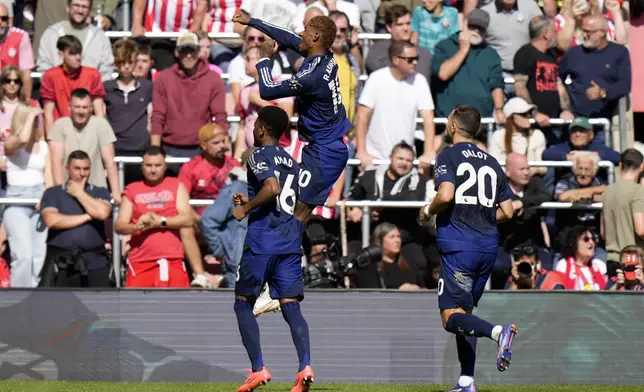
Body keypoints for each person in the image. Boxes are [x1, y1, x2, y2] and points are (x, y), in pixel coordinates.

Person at [419, 104, 517, 392]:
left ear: (451, 127)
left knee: (451, 318)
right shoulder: (491, 162)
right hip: (487, 247)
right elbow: (508, 211)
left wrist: (428, 210)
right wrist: (482, 216)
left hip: (459, 247)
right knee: (465, 314)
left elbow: (446, 195)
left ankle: (499, 333)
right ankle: (466, 381)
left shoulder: (447, 155)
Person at [232, 10, 350, 225]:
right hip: (323, 145)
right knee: (290, 211)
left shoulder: (311, 77)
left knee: (296, 215)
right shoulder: (323, 56)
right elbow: (288, 37)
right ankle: (287, 254)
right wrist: (252, 22)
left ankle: (288, 257)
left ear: (315, 38)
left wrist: (265, 58)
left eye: (305, 31)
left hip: (326, 151)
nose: (300, 34)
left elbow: (267, 90)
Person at [230, 106, 312, 392]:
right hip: (289, 243)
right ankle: (305, 366)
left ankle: (258, 369)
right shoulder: (291, 161)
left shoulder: (258, 155)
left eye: (255, 125)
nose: (253, 130)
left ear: (262, 129)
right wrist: (250, 199)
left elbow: (272, 188)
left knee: (243, 303)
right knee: (292, 307)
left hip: (264, 242)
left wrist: (247, 208)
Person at [114, 146, 197, 288]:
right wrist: (137, 226)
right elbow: (119, 225)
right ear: (142, 167)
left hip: (173, 260)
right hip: (141, 262)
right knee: (140, 309)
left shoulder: (176, 185)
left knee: (177, 308)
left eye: (157, 165)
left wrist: (160, 222)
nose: (153, 170)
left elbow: (187, 218)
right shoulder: (132, 189)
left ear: (165, 166)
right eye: (148, 165)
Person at [39, 150, 112, 287]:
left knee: (99, 307)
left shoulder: (100, 191)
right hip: (62, 264)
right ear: (67, 169)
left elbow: (102, 214)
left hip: (95, 262)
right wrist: (88, 216)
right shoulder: (53, 193)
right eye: (77, 168)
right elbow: (52, 221)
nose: (82, 173)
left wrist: (79, 193)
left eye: (86, 169)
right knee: (62, 307)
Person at [3, 103, 51, 288]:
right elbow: (22, 138)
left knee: (38, 256)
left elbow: (49, 179)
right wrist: (31, 114)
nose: (36, 124)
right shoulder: (11, 142)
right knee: (22, 255)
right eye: (33, 120)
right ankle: (20, 297)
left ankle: (34, 298)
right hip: (16, 201)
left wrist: (46, 198)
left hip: (39, 199)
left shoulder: (44, 146)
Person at [601, 149, 644, 265]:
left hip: (611, 259)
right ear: (642, 166)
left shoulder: (607, 193)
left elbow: (603, 233)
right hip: (633, 261)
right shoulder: (638, 191)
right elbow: (641, 230)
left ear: (620, 165)